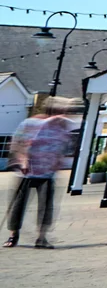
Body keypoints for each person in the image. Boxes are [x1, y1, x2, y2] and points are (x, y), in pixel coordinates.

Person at [6, 98, 81, 248]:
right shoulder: (30, 123)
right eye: (61, 111)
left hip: (47, 173)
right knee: (18, 205)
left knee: (46, 206)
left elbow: (62, 147)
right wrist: (23, 160)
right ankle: (13, 235)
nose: (64, 114)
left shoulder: (63, 128)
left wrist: (58, 161)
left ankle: (41, 237)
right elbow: (17, 143)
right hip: (27, 172)